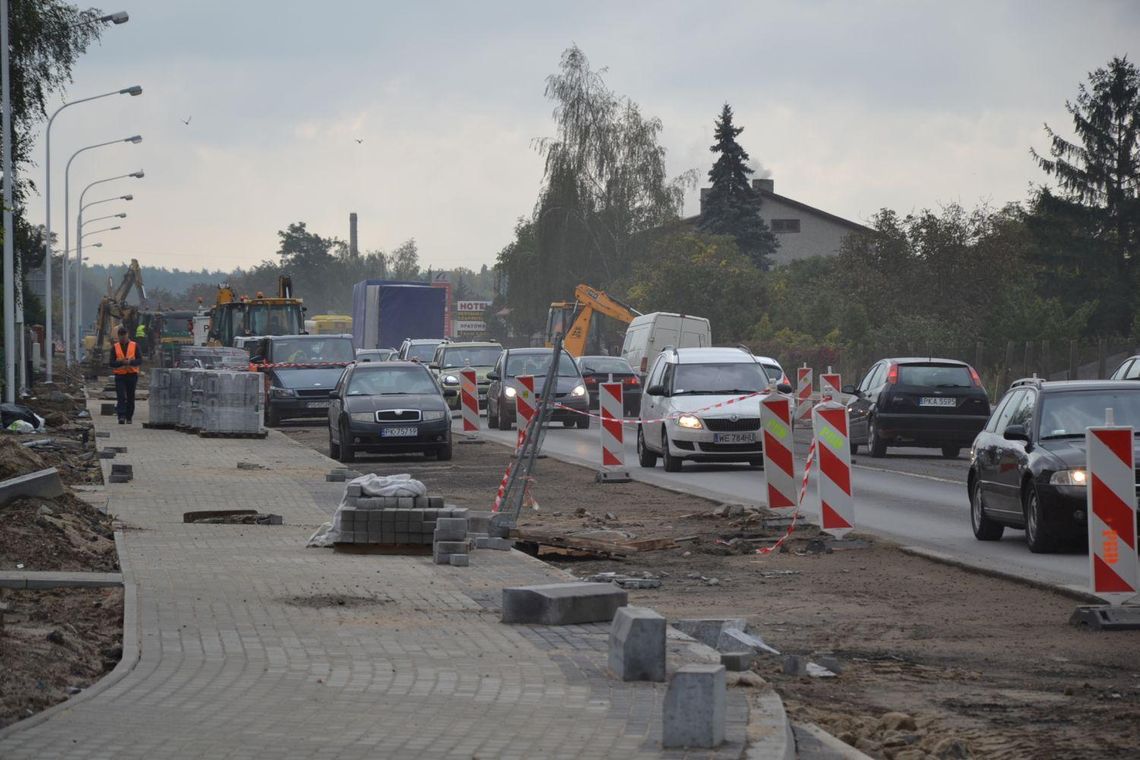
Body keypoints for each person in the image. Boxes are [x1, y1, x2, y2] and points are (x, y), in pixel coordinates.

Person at [108, 325, 142, 424]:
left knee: (131, 397)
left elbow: (139, 360)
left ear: (127, 335)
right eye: (121, 336)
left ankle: (129, 417)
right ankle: (121, 416)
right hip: (120, 376)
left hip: (132, 375)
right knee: (121, 396)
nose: (123, 338)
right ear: (118, 337)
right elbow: (111, 363)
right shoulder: (115, 347)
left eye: (124, 336)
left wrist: (131, 362)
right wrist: (122, 362)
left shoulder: (135, 345)